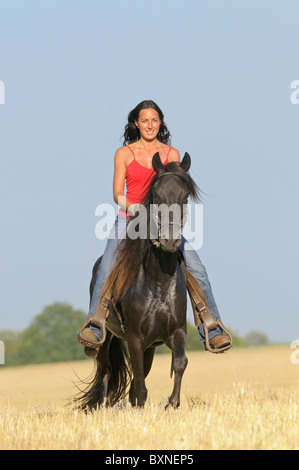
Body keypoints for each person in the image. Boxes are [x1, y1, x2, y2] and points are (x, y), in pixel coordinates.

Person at [78, 100, 231, 356]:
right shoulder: (124, 153)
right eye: (145, 120)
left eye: (155, 120)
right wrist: (136, 208)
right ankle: (95, 324)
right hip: (130, 218)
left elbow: (176, 191)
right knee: (106, 265)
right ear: (136, 123)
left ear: (160, 123)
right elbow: (117, 193)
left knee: (198, 269)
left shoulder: (171, 154)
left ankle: (211, 328)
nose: (150, 125)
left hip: (163, 221)